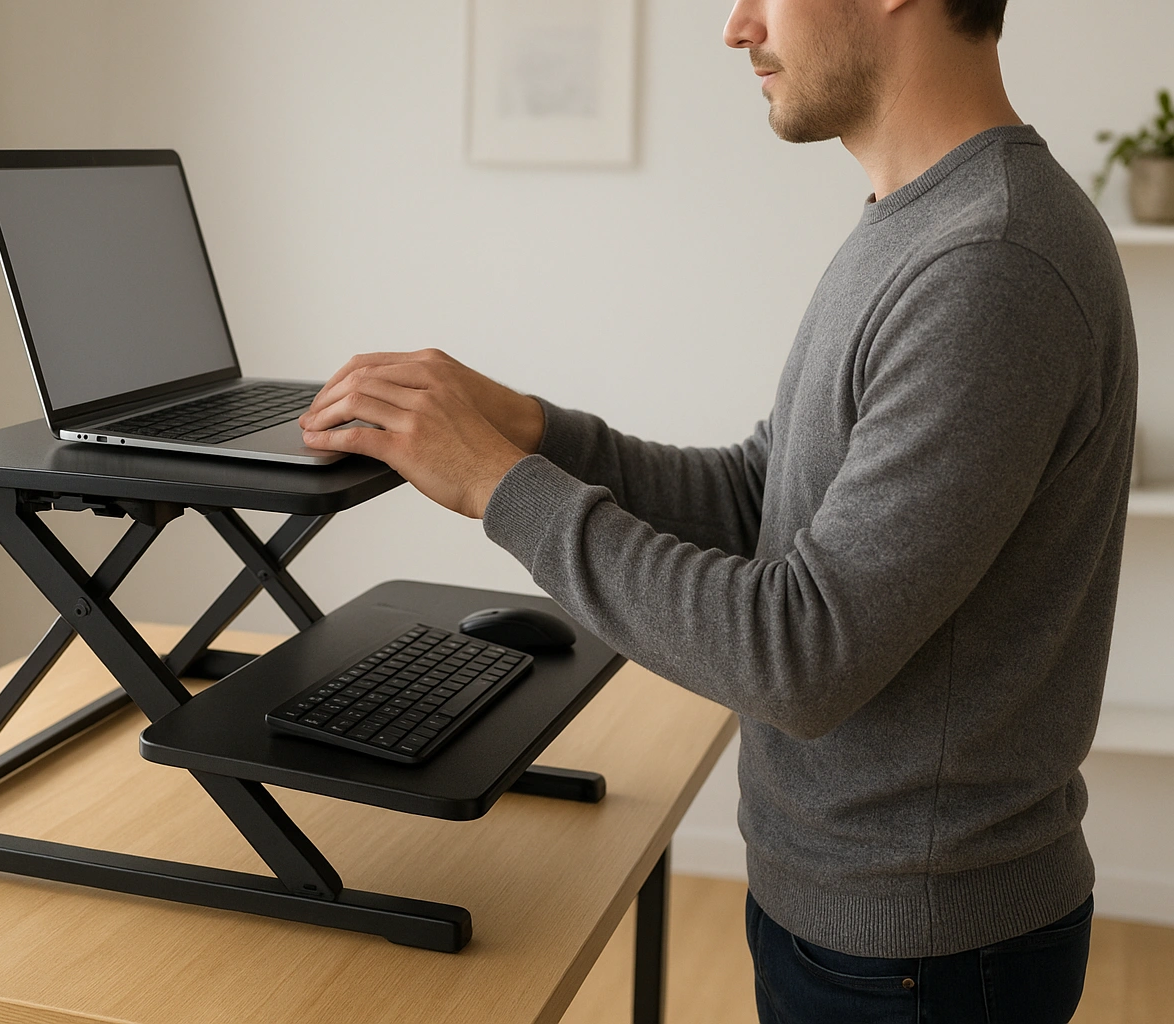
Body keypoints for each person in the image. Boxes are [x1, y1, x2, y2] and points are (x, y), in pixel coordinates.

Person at [298, 0, 1138, 1021]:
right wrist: (525, 429)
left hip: (923, 953)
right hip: (863, 922)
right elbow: (760, 497)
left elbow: (803, 652)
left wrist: (496, 486)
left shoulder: (990, 261)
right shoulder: (918, 222)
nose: (736, 27)